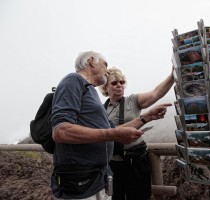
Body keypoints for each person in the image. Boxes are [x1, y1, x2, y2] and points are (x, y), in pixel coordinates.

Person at [49, 51, 172, 200]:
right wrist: (112, 135)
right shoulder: (73, 81)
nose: (107, 70)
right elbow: (60, 131)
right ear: (92, 61)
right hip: (82, 182)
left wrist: (146, 117)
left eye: (122, 82)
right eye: (105, 64)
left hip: (100, 177)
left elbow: (113, 131)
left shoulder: (92, 94)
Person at [98, 66, 174, 200]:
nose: (119, 85)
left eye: (122, 82)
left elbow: (156, 93)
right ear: (105, 87)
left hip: (136, 161)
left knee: (140, 196)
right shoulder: (101, 109)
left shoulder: (132, 101)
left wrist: (173, 75)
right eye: (114, 83)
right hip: (113, 164)